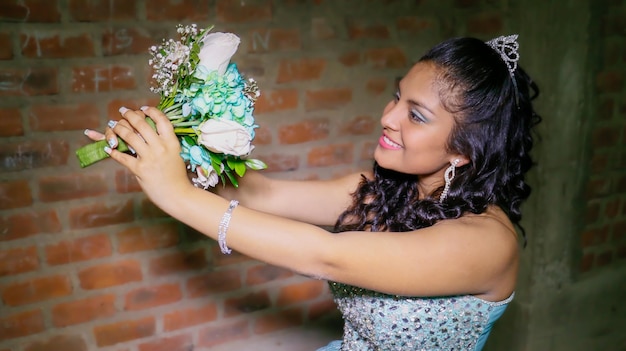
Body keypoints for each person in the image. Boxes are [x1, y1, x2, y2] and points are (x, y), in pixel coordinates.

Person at [84, 34, 541, 350]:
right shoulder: (379, 194)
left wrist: (178, 196)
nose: (388, 117)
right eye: (396, 96)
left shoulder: (486, 243)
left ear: (464, 151)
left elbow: (325, 255)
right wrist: (178, 145)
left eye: (416, 115)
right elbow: (263, 193)